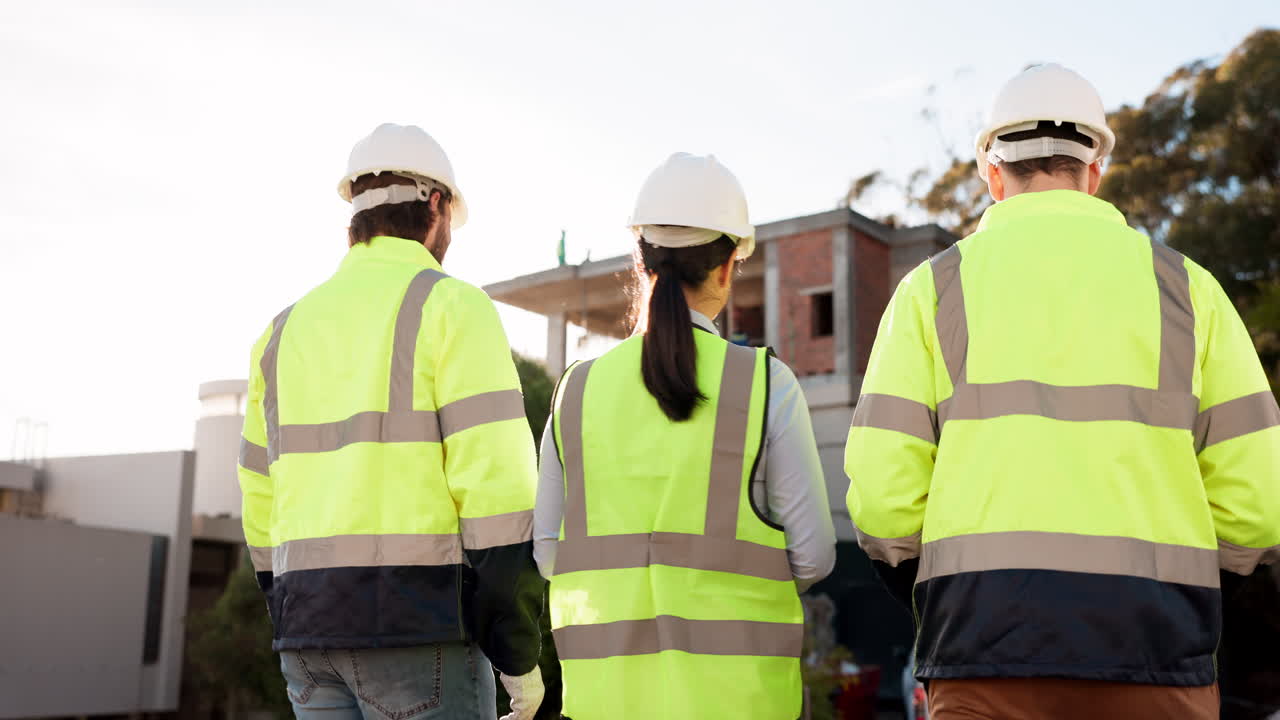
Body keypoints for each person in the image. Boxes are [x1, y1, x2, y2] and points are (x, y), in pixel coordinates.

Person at [844, 63, 1280, 719]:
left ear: (994, 175)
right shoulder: (1190, 290)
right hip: (1159, 651)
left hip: (980, 653)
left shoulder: (931, 292)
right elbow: (1258, 503)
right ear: (1094, 171)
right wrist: (1190, 587)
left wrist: (939, 587)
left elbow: (883, 503)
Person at [237, 123, 546, 720]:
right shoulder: (453, 306)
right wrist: (518, 656)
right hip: (418, 632)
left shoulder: (279, 333)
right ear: (436, 205)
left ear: (354, 215)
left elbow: (258, 498)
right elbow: (500, 499)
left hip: (307, 636)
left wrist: (294, 609)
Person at [533, 153, 837, 719]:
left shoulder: (575, 390)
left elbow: (549, 554)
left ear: (640, 260)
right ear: (727, 268)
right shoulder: (766, 385)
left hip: (606, 704)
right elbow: (814, 556)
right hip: (741, 704)